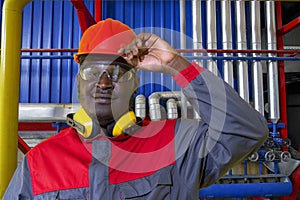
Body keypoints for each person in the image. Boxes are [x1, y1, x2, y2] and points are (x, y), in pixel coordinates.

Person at [4, 18, 268, 199]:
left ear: (136, 83)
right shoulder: (38, 163)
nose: (104, 83)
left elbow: (246, 130)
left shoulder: (175, 145)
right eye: (93, 71)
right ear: (78, 81)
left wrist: (175, 64)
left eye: (118, 72)